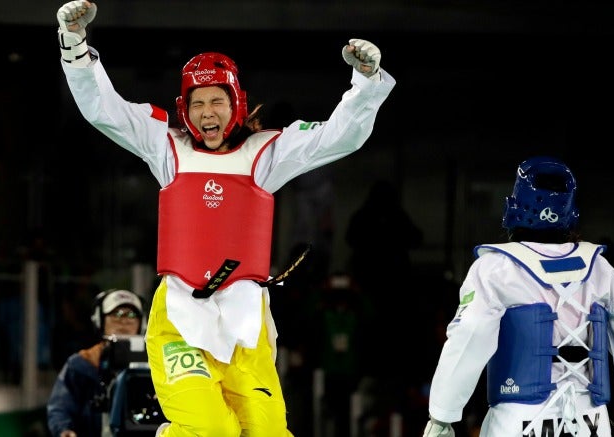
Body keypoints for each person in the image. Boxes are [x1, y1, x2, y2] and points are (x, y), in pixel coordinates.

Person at [55, 1, 396, 436]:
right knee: (210, 430)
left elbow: (337, 137)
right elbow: (105, 109)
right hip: (180, 318)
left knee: (268, 432)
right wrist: (75, 46)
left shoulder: (266, 153)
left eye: (217, 100)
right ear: (185, 108)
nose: (207, 112)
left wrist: (365, 84)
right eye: (198, 103)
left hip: (244, 325)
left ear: (237, 104)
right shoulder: (167, 147)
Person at [422, 156, 614, 437]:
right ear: (570, 212)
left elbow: (470, 333)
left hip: (517, 422)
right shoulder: (598, 268)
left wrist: (442, 416)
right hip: (590, 423)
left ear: (514, 205)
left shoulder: (496, 267)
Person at [46, 289, 145, 437]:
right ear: (100, 320)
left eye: (131, 315)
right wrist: (64, 430)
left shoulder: (158, 362)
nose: (124, 321)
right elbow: (60, 407)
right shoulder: (82, 363)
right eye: (116, 314)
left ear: (142, 323)